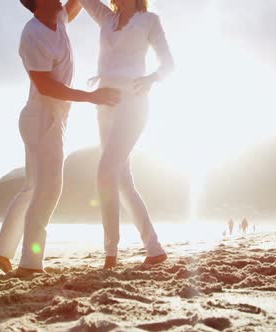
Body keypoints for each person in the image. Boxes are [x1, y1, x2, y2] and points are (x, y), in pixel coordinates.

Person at [0, 0, 121, 277]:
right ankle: (30, 264)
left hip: (51, 120)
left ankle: (0, 250)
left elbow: (75, 6)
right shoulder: (32, 34)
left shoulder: (57, 17)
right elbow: (46, 86)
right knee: (49, 190)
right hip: (41, 120)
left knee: (33, 188)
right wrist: (92, 97)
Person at [78, 0, 175, 269]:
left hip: (133, 104)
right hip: (105, 106)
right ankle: (154, 248)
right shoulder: (107, 18)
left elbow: (168, 64)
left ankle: (110, 254)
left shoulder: (149, 21)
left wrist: (151, 79)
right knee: (122, 181)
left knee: (105, 173)